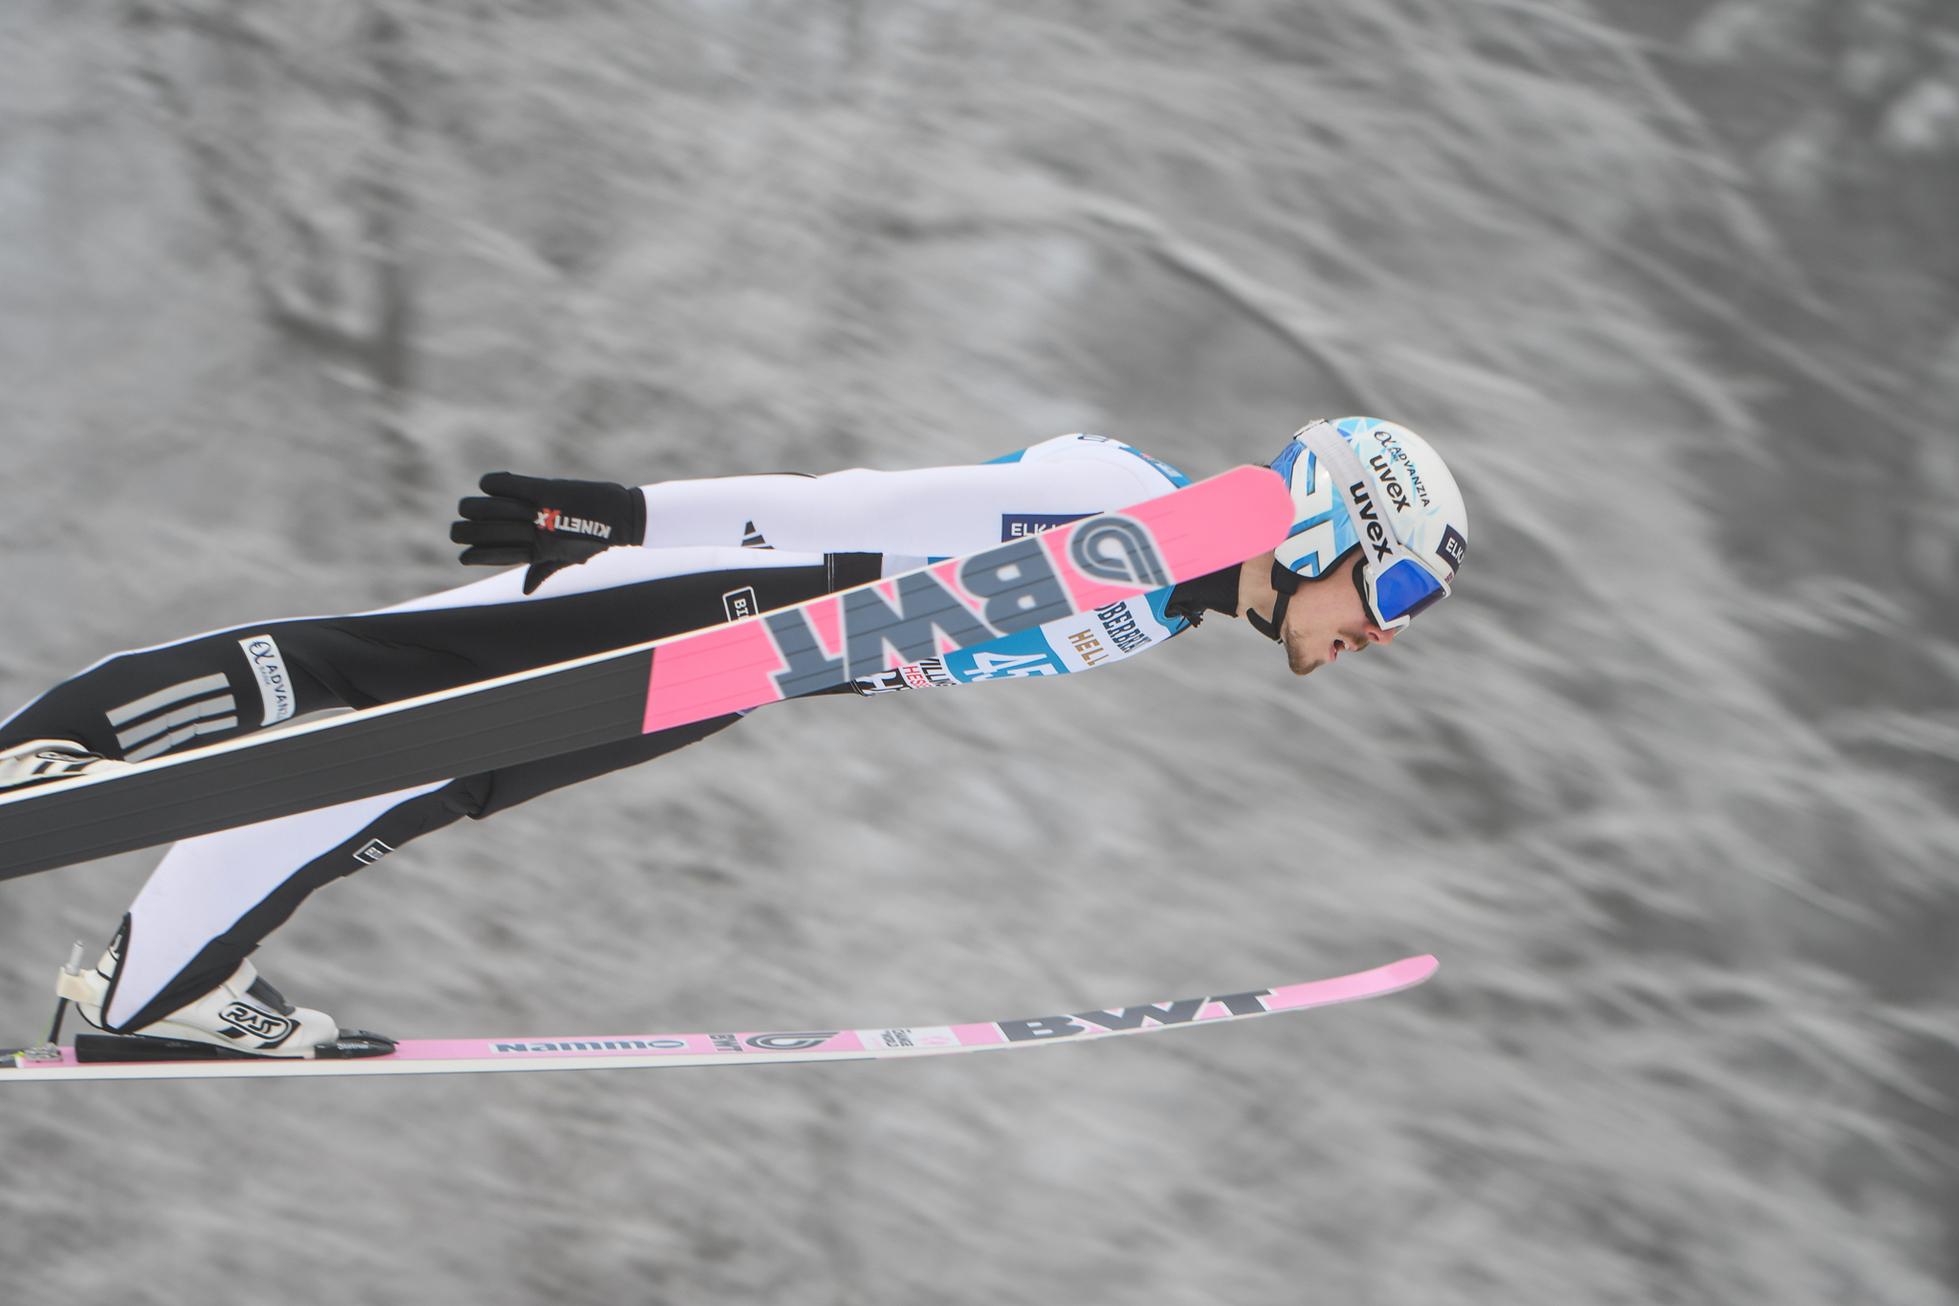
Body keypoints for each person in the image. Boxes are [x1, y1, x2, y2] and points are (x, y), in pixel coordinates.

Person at [0, 417, 1467, 1059]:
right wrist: (629, 519)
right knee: (363, 673)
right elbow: (866, 510)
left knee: (405, 774)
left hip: (744, 671)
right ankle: (56, 749)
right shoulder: (1128, 510)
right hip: (717, 596)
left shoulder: (1155, 610)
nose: (1383, 632)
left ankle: (155, 985)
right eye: (1392, 591)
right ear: (1328, 521)